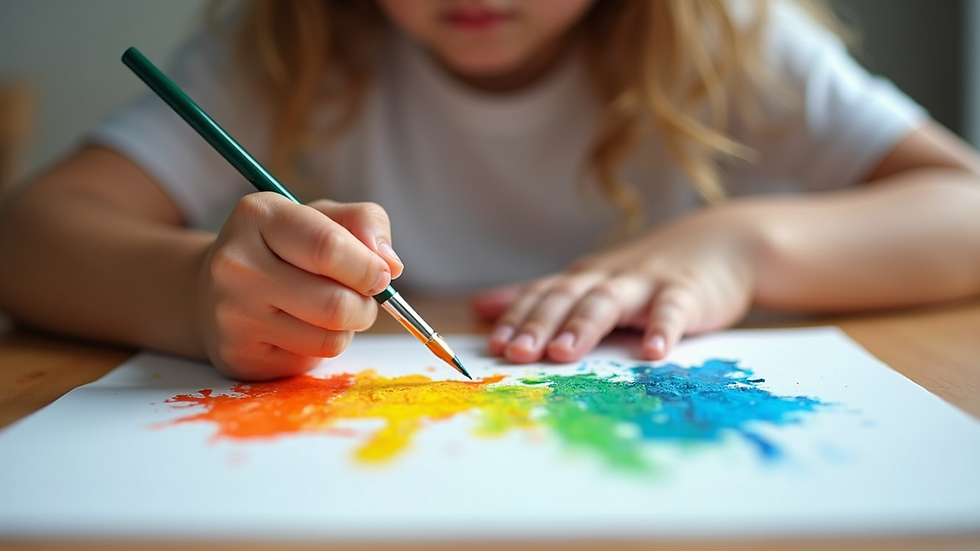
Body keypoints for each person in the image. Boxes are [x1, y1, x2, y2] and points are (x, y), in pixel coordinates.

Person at [1, 0, 979, 381]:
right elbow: (30, 238)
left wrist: (740, 244)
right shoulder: (289, 48)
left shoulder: (732, 36)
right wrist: (191, 291)